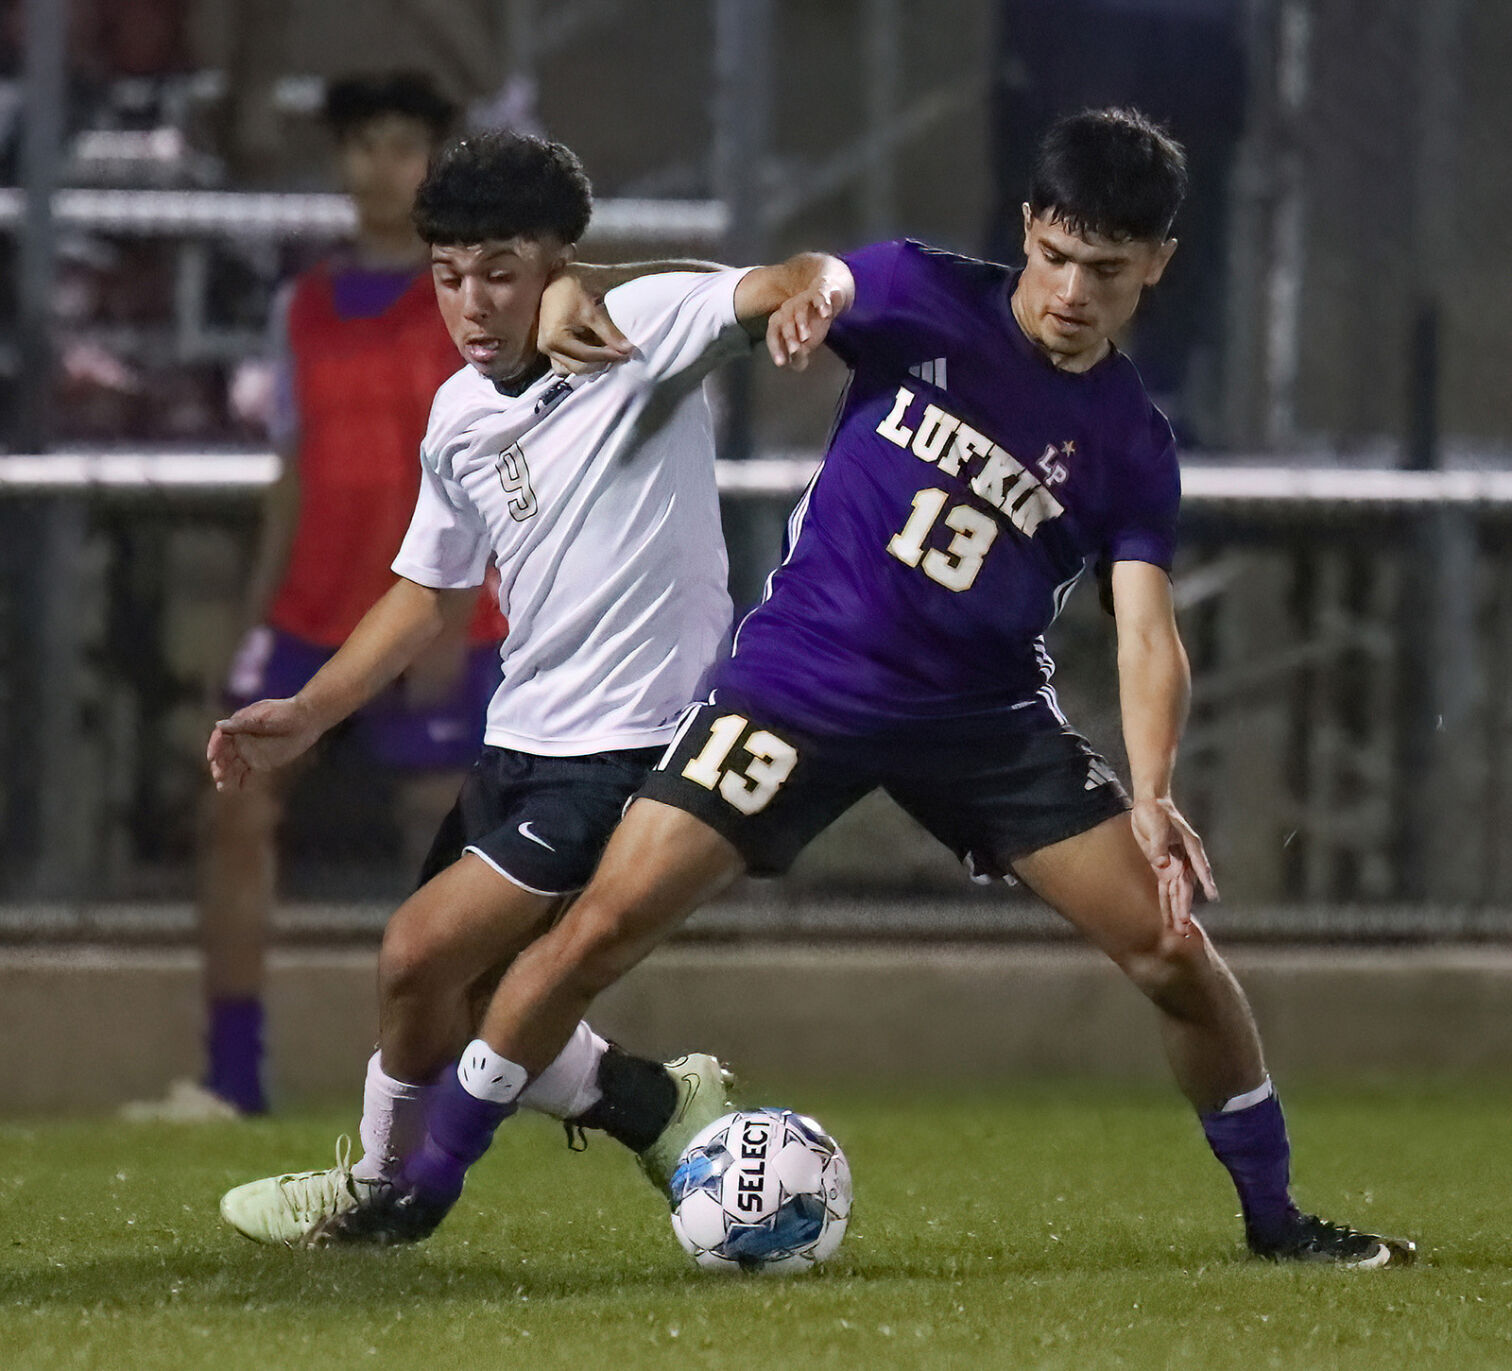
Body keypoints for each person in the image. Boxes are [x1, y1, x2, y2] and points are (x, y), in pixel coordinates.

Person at [332, 108, 1416, 1269]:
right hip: (797, 685)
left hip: (983, 719)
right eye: (1055, 257)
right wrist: (587, 281)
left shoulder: (1132, 443)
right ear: (1028, 229)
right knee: (596, 928)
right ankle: (426, 1193)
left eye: (1106, 271)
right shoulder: (918, 293)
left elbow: (1147, 633)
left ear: (1158, 263)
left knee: (1172, 955)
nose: (1069, 293)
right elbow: (771, 284)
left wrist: (1152, 792)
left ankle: (1275, 1221)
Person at [212, 129, 854, 1245]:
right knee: (450, 998)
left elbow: (777, 282)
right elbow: (422, 593)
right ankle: (660, 1104)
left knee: (416, 951)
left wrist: (807, 292)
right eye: (449, 275)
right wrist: (310, 712)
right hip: (519, 741)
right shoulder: (459, 416)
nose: (469, 303)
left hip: (633, 744)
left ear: (560, 260)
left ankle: (380, 1189)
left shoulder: (640, 329)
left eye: (501, 272)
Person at [124, 73, 509, 1123]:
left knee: (449, 844)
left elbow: (496, 465)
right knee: (236, 810)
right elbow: (290, 472)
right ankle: (233, 1076)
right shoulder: (304, 306)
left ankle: (462, 1081)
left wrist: (460, 596)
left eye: (401, 146)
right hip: (312, 603)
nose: (377, 168)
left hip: (432, 603)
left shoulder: (469, 303)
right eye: (362, 146)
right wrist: (252, 617)